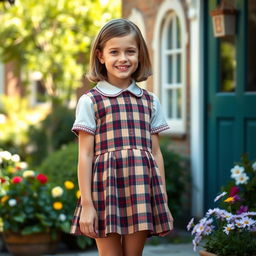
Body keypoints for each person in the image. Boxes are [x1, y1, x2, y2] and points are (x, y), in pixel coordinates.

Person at [70, 18, 173, 256]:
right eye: (114, 52)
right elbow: (85, 155)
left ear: (140, 55)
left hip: (141, 190)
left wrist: (162, 197)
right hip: (105, 191)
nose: (123, 58)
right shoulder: (90, 101)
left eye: (130, 51)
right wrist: (87, 204)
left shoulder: (150, 101)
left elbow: (156, 152)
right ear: (100, 56)